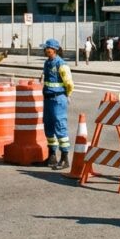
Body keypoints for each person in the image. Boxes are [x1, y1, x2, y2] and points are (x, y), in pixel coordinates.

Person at [39, 38, 74, 169]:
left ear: (54, 49)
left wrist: (68, 95)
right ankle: (52, 156)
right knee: (48, 126)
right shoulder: (47, 63)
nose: (45, 50)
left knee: (60, 126)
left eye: (47, 48)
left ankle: (65, 158)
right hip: (48, 99)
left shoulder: (61, 64)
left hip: (58, 98)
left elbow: (69, 83)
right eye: (45, 48)